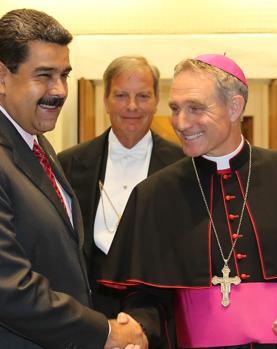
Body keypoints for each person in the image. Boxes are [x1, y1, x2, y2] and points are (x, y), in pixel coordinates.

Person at [0, 9, 146, 349]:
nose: (59, 90)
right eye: (44, 75)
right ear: (1, 76)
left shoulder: (36, 144)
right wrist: (105, 332)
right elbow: (6, 288)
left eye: (64, 75)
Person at [98, 54, 277, 349]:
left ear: (234, 107)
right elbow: (146, 296)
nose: (181, 123)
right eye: (175, 108)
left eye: (195, 108)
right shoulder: (155, 194)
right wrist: (140, 330)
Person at [58, 55, 184, 318]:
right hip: (88, 310)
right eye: (121, 95)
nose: (132, 106)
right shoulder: (68, 164)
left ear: (156, 101)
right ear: (105, 100)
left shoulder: (184, 166)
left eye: (143, 96)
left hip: (159, 310)